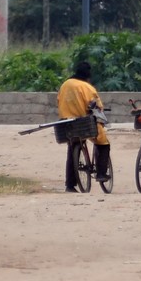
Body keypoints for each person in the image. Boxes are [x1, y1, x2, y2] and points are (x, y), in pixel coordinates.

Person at [56, 61, 110, 192]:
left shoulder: (65, 85)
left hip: (67, 124)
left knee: (72, 148)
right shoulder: (87, 87)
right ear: (88, 74)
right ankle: (101, 173)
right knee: (103, 143)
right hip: (84, 123)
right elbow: (97, 107)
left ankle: (70, 185)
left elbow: (58, 100)